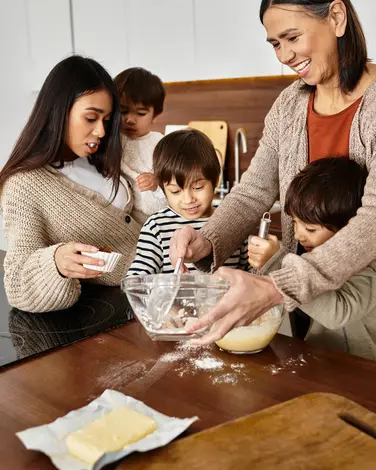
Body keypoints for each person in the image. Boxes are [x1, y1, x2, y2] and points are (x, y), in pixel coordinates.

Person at [169, 0, 376, 346]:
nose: (285, 55)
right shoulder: (289, 106)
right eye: (275, 44)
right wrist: (206, 240)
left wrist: (279, 286)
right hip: (312, 320)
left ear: (337, 18)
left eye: (292, 37)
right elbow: (252, 193)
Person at [0, 55, 140, 313]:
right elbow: (17, 283)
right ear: (58, 112)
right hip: (113, 311)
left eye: (107, 121)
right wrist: (56, 262)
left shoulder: (107, 156)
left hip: (159, 286)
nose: (101, 131)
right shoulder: (24, 185)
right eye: (90, 118)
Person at [251, 157, 376, 365]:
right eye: (295, 223)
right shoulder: (315, 258)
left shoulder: (371, 270)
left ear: (350, 227)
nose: (298, 236)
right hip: (327, 364)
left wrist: (277, 262)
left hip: (374, 374)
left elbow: (336, 313)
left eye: (310, 229)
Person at [127, 129, 250, 274]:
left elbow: (250, 274)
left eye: (198, 187)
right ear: (163, 188)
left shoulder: (232, 223)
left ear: (215, 179)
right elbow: (137, 279)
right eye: (175, 191)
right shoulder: (156, 227)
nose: (188, 199)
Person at [115, 67, 167, 223]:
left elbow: (173, 177)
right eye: (123, 111)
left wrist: (156, 181)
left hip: (153, 216)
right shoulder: (113, 140)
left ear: (155, 115)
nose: (130, 119)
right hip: (121, 215)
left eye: (140, 113)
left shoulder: (160, 143)